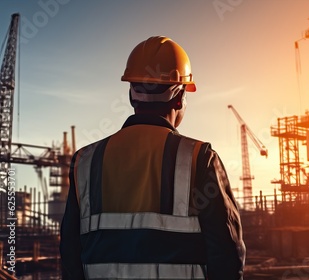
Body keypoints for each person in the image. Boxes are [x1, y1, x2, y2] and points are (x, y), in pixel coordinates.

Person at [60, 36, 246, 279]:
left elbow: (70, 255)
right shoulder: (199, 158)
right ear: (179, 98)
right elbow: (226, 254)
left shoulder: (85, 161)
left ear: (131, 95)